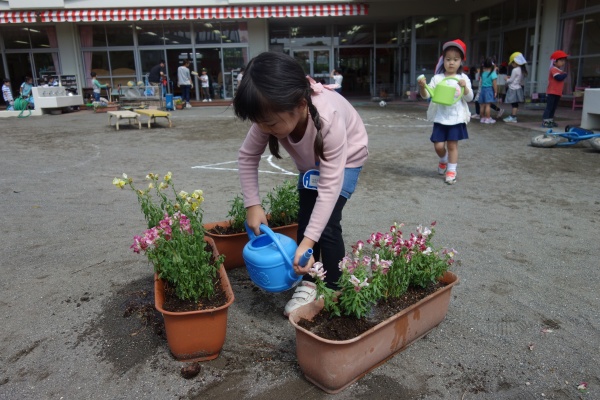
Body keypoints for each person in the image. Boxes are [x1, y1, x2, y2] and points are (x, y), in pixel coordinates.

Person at [233, 51, 368, 316]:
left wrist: (307, 244)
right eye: (259, 122)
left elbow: (329, 187)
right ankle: (309, 279)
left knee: (327, 225)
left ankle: (333, 288)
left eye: (269, 123)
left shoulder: (327, 118)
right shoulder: (270, 112)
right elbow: (247, 156)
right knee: (307, 219)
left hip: (347, 159)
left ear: (300, 103)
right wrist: (252, 204)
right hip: (311, 166)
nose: (263, 128)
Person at [418, 39, 473, 185]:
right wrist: (422, 87)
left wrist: (465, 87)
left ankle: (451, 171)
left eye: (455, 59)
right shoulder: (437, 78)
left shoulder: (463, 78)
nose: (451, 63)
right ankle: (443, 160)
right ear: (443, 60)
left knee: (452, 146)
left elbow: (469, 98)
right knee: (438, 146)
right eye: (448, 59)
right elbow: (427, 95)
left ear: (461, 61)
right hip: (440, 118)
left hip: (456, 118)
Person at [542, 50, 569, 128]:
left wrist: (563, 74)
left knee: (553, 107)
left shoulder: (559, 70)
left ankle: (550, 120)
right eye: (561, 60)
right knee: (549, 107)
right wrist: (565, 74)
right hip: (552, 92)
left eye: (564, 61)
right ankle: (545, 121)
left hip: (557, 92)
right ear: (554, 62)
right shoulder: (553, 69)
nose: (563, 62)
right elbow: (558, 78)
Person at [503, 52, 528, 123]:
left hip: (513, 88)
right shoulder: (522, 69)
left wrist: (506, 79)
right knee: (515, 104)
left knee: (513, 104)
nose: (512, 64)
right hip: (518, 88)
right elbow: (517, 79)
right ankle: (513, 116)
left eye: (512, 62)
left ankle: (513, 117)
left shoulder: (515, 70)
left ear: (516, 62)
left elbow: (510, 81)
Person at [478, 58, 498, 124]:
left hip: (483, 89)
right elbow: (494, 84)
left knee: (482, 105)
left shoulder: (483, 73)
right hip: (489, 89)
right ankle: (488, 118)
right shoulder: (493, 73)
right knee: (488, 105)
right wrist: (495, 91)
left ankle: (482, 118)